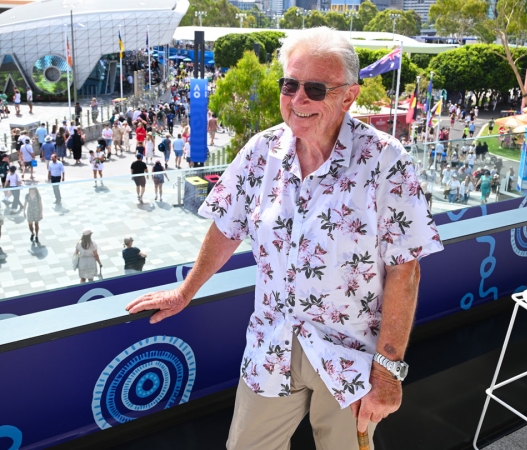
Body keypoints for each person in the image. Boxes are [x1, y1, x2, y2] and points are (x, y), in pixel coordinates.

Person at [126, 27, 444, 450]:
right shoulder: (262, 151)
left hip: (350, 355)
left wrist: (387, 370)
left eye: (315, 89)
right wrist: (185, 292)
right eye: (290, 85)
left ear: (349, 97)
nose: (298, 100)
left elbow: (405, 269)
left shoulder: (385, 160)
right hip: (271, 343)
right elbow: (226, 227)